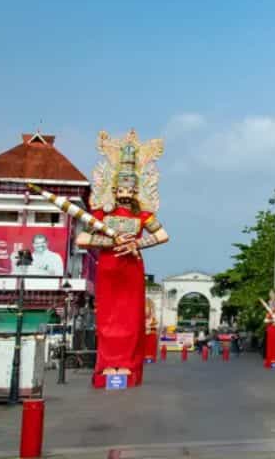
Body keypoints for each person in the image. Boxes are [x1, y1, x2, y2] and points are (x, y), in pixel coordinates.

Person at [68, 130, 169, 389]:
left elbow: (162, 235)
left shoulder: (143, 215)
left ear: (137, 189)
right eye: (122, 188)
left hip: (132, 266)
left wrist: (137, 243)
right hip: (109, 267)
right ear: (113, 188)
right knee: (108, 318)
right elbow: (82, 239)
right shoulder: (101, 215)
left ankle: (127, 363)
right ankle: (108, 363)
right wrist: (112, 242)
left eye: (131, 188)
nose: (126, 192)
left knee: (131, 319)